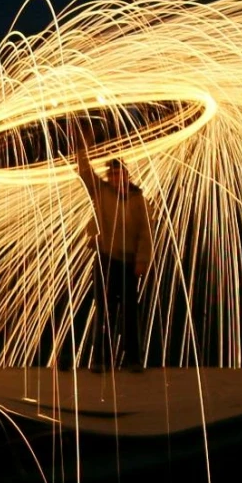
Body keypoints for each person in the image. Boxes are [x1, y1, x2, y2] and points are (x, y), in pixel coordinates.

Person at [73, 131, 152, 371]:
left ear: (128, 177)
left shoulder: (140, 200)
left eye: (121, 175)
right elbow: (85, 172)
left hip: (129, 263)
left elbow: (146, 234)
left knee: (129, 313)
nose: (118, 180)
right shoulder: (101, 192)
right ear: (110, 178)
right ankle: (100, 361)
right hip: (106, 259)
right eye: (113, 176)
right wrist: (82, 145)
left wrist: (142, 261)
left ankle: (133, 360)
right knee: (104, 312)